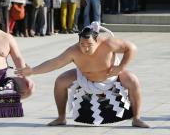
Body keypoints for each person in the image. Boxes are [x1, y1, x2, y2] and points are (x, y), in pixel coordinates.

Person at [15, 22, 150, 128]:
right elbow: (55, 63)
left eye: (89, 45)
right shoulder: (74, 51)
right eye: (82, 44)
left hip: (111, 76)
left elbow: (132, 48)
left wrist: (121, 67)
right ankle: (61, 117)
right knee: (60, 81)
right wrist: (32, 70)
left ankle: (136, 118)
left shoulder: (109, 44)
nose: (85, 48)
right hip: (85, 78)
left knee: (133, 80)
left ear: (96, 40)